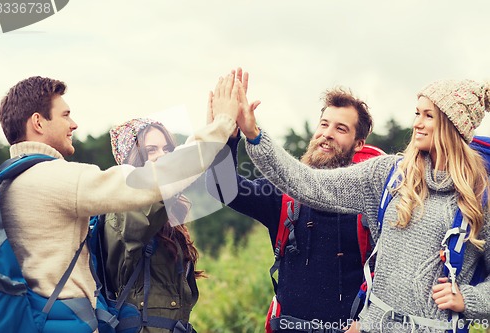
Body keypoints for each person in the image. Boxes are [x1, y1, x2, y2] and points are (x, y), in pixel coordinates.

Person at [232, 78, 490, 332]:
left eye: (428, 116)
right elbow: (308, 183)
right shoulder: (388, 175)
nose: (417, 123)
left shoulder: (480, 197)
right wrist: (254, 135)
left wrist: (469, 299)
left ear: (453, 125)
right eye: (416, 113)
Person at [0, 74, 240, 331]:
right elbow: (154, 180)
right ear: (38, 122)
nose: (74, 123)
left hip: (33, 317)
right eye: (65, 114)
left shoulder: (7, 180)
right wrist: (220, 126)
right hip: (66, 320)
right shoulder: (58, 179)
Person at [208, 69, 375, 333]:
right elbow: (222, 187)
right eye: (324, 124)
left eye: (340, 128)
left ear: (358, 143)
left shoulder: (372, 202)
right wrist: (227, 135)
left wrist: (369, 324)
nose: (327, 133)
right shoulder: (285, 196)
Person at [102, 118, 203, 333]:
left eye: (167, 149)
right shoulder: (121, 209)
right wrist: (205, 141)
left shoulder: (167, 216)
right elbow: (144, 213)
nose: (162, 156)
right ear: (132, 159)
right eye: (151, 150)